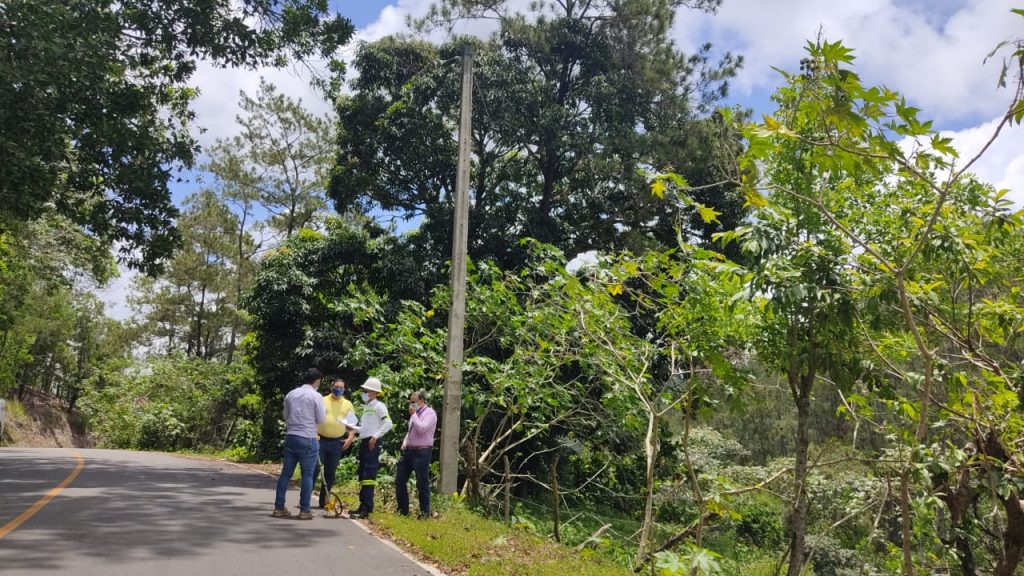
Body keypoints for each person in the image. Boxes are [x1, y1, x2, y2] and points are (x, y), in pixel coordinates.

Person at [273, 367, 326, 520]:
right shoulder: (316, 396)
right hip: (308, 437)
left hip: (291, 437)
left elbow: (285, 415)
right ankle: (304, 510)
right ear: (317, 381)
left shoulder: (291, 394)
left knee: (285, 474)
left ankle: (279, 507)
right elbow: (321, 419)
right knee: (307, 475)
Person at [345, 377, 391, 519]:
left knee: (369, 475)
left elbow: (388, 423)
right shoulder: (367, 407)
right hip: (365, 442)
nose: (364, 392)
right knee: (363, 475)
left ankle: (366, 508)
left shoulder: (379, 406)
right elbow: (365, 428)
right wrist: (353, 428)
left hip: (372, 443)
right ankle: (362, 505)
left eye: (366, 390)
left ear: (374, 392)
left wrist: (376, 436)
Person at [314, 378, 357, 508]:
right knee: (315, 469)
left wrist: (350, 438)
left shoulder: (348, 404)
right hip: (320, 440)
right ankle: (305, 499)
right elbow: (313, 418)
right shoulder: (322, 400)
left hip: (337, 442)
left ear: (344, 390)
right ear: (331, 386)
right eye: (336, 387)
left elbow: (352, 424)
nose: (338, 389)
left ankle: (324, 500)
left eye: (341, 388)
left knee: (330, 473)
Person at [395, 390, 437, 519]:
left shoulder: (429, 413)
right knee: (400, 480)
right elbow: (411, 431)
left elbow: (422, 428)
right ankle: (403, 510)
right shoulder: (415, 414)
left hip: (422, 452)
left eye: (414, 402)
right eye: (410, 402)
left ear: (421, 401)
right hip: (409, 451)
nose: (412, 404)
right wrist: (406, 440)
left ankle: (424, 513)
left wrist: (413, 415)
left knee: (421, 483)